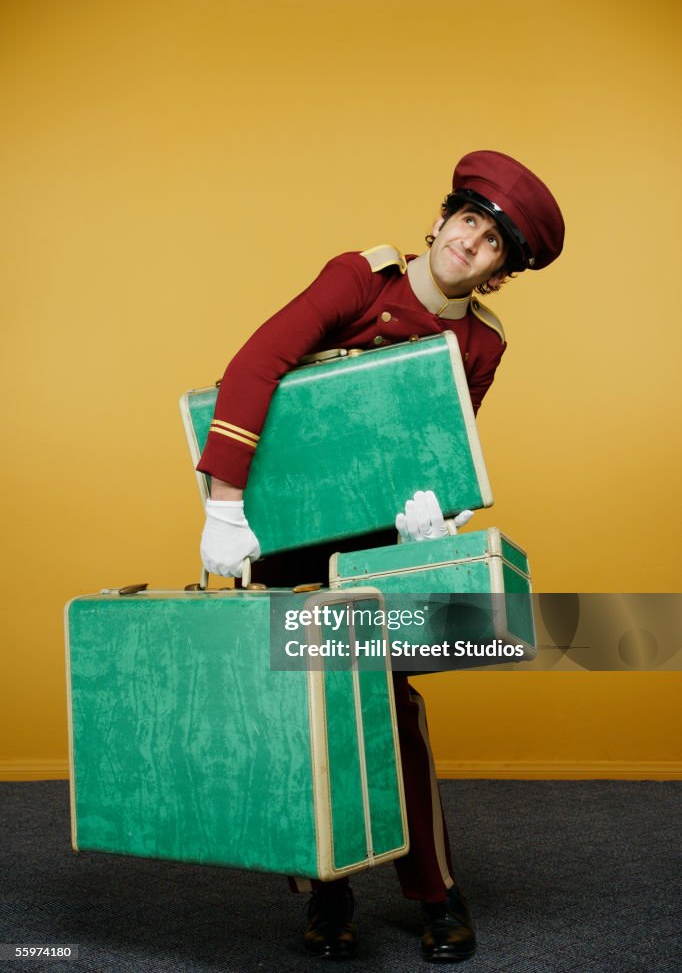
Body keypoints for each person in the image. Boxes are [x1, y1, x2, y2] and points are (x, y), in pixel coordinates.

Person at [197, 150, 564, 962]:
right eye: (468, 220)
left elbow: (447, 446)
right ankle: (327, 890)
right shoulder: (361, 278)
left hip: (375, 552)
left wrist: (439, 518)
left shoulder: (483, 344)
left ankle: (435, 893)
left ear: (500, 274)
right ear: (440, 221)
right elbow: (255, 365)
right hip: (283, 536)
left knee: (389, 711)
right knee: (305, 717)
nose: (472, 242)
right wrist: (224, 506)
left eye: (494, 242)